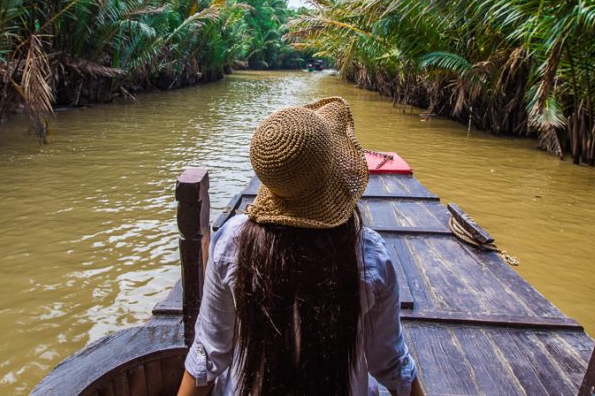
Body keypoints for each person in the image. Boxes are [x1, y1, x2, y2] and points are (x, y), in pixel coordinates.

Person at [177, 97, 424, 396]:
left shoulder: (230, 243)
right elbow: (391, 364)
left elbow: (208, 357)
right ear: (333, 172)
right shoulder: (368, 254)